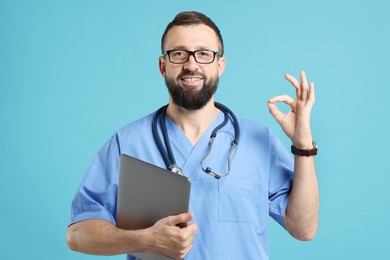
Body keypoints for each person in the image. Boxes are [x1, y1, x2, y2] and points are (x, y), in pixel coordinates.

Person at [66, 11, 319, 260]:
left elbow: (303, 228)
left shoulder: (257, 139)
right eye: (178, 54)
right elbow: (78, 234)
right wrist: (144, 240)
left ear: (220, 66)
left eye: (204, 54)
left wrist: (303, 146)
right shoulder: (128, 143)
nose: (191, 64)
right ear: (163, 65)